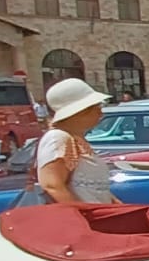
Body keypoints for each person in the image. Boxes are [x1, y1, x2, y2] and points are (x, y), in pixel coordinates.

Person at [35, 77, 116, 205]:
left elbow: (93, 190)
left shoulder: (75, 139)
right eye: (96, 108)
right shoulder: (59, 138)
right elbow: (52, 186)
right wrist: (83, 214)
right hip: (79, 221)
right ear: (80, 112)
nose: (100, 113)